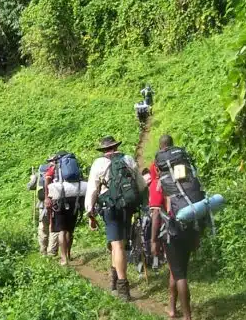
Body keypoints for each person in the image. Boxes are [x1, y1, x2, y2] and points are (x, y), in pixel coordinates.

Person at [85, 136, 146, 301]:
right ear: (117, 146)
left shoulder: (99, 164)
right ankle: (113, 280)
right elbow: (141, 185)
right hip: (127, 206)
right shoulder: (128, 159)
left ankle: (122, 288)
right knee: (120, 244)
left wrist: (90, 213)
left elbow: (92, 190)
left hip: (110, 208)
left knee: (117, 245)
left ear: (104, 150)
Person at [150, 134, 201, 320]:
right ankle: (172, 309)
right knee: (177, 269)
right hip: (191, 225)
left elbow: (156, 214)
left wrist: (153, 240)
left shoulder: (161, 183)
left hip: (172, 232)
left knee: (180, 275)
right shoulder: (186, 176)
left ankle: (187, 316)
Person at [44, 152, 84, 265]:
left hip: (59, 201)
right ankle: (69, 254)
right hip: (75, 199)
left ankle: (64, 258)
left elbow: (47, 181)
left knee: (62, 230)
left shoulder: (54, 167)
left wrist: (47, 197)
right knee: (70, 230)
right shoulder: (76, 166)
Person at [27, 165, 57, 256]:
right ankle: (52, 251)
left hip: (42, 205)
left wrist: (32, 178)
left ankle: (43, 251)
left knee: (43, 227)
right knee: (54, 227)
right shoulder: (58, 173)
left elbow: (29, 187)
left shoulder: (39, 174)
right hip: (56, 204)